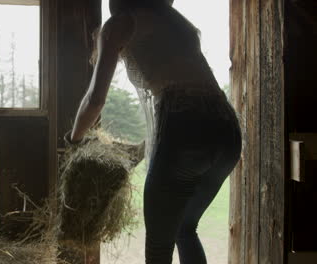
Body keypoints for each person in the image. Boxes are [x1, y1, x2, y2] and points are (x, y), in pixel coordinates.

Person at [67, 0, 242, 263]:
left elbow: (95, 99)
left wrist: (74, 138)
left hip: (183, 125)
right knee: (185, 228)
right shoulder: (176, 22)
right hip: (227, 131)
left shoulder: (120, 25)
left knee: (159, 247)